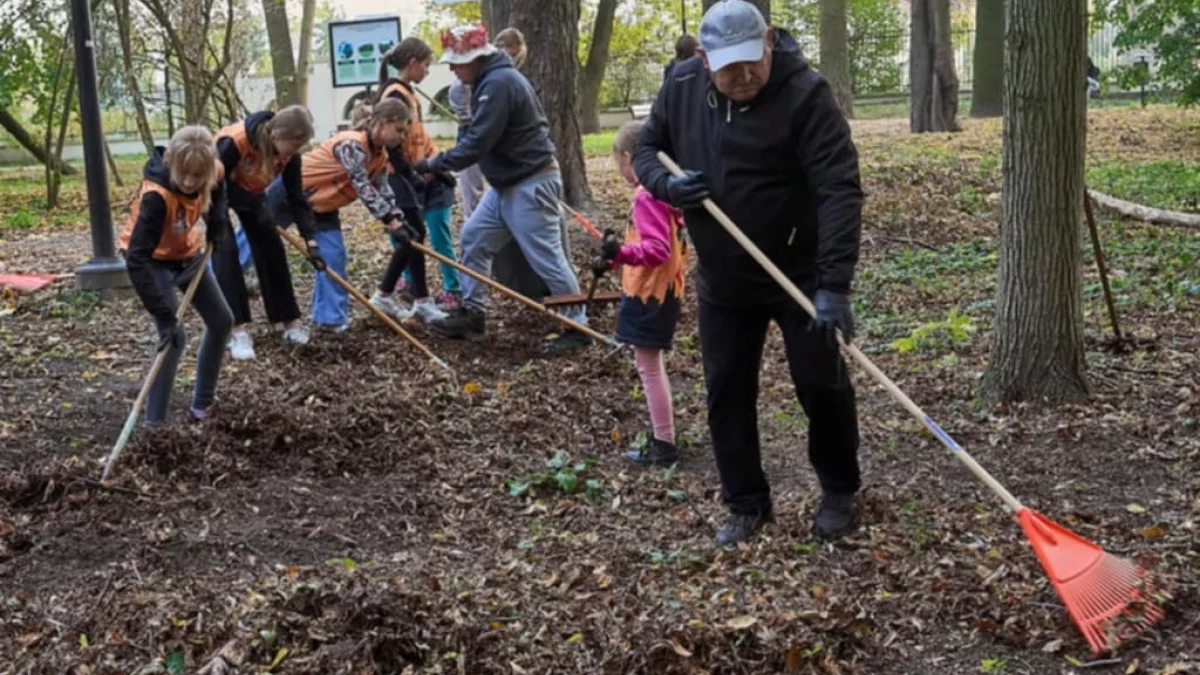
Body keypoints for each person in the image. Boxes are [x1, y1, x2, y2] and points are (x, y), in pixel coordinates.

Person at [634, 0, 864, 545]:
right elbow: (647, 149)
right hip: (724, 278)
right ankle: (746, 502)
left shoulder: (806, 94)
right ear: (706, 60)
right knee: (727, 390)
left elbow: (839, 188)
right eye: (727, 67)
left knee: (821, 384)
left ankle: (839, 490)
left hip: (800, 273)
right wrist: (668, 185)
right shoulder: (683, 88)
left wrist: (834, 285)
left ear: (769, 42)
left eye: (751, 62)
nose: (742, 77)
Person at [416, 24, 590, 354]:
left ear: (477, 58)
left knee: (546, 255)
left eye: (457, 62)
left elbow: (478, 142)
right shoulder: (489, 81)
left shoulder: (498, 84)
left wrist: (433, 163)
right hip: (506, 184)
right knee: (474, 239)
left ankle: (577, 324)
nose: (452, 68)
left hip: (531, 182)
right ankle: (474, 313)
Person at [118, 126, 234, 425]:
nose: (189, 181)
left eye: (198, 176)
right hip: (152, 261)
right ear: (170, 160)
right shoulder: (156, 198)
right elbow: (137, 259)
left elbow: (219, 190)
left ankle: (202, 406)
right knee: (173, 338)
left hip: (187, 255)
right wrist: (164, 314)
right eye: (184, 173)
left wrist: (218, 222)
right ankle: (155, 425)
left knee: (222, 321)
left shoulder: (213, 169)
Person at [270, 98, 416, 332]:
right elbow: (362, 185)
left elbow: (383, 190)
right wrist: (388, 219)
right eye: (399, 129)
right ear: (381, 123)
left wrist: (398, 219)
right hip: (290, 193)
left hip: (323, 206)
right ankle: (222, 295)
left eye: (405, 131)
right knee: (251, 245)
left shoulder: (380, 157)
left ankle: (330, 319)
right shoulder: (352, 144)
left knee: (333, 256)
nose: (402, 136)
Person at [596, 120, 688, 467]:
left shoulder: (647, 194)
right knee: (650, 365)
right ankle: (664, 437)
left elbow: (657, 249)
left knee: (649, 367)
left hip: (651, 294)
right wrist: (615, 254)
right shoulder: (667, 188)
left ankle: (664, 443)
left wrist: (621, 253)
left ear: (629, 158)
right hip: (662, 290)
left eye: (617, 160)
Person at [213, 105, 317, 360]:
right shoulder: (234, 142)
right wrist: (249, 201)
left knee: (271, 247)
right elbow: (215, 184)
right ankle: (235, 330)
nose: (294, 152)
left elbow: (296, 198)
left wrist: (311, 241)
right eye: (293, 144)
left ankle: (288, 320)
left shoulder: (290, 156)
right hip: (214, 192)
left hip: (252, 193)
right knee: (226, 250)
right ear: (277, 135)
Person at [377, 37, 462, 319]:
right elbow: (394, 145)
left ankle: (401, 294)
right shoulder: (395, 94)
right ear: (412, 63)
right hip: (400, 176)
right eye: (425, 65)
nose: (427, 71)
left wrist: (434, 166)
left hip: (413, 173)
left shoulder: (407, 91)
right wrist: (412, 175)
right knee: (412, 234)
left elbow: (416, 138)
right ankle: (413, 297)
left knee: (413, 234)